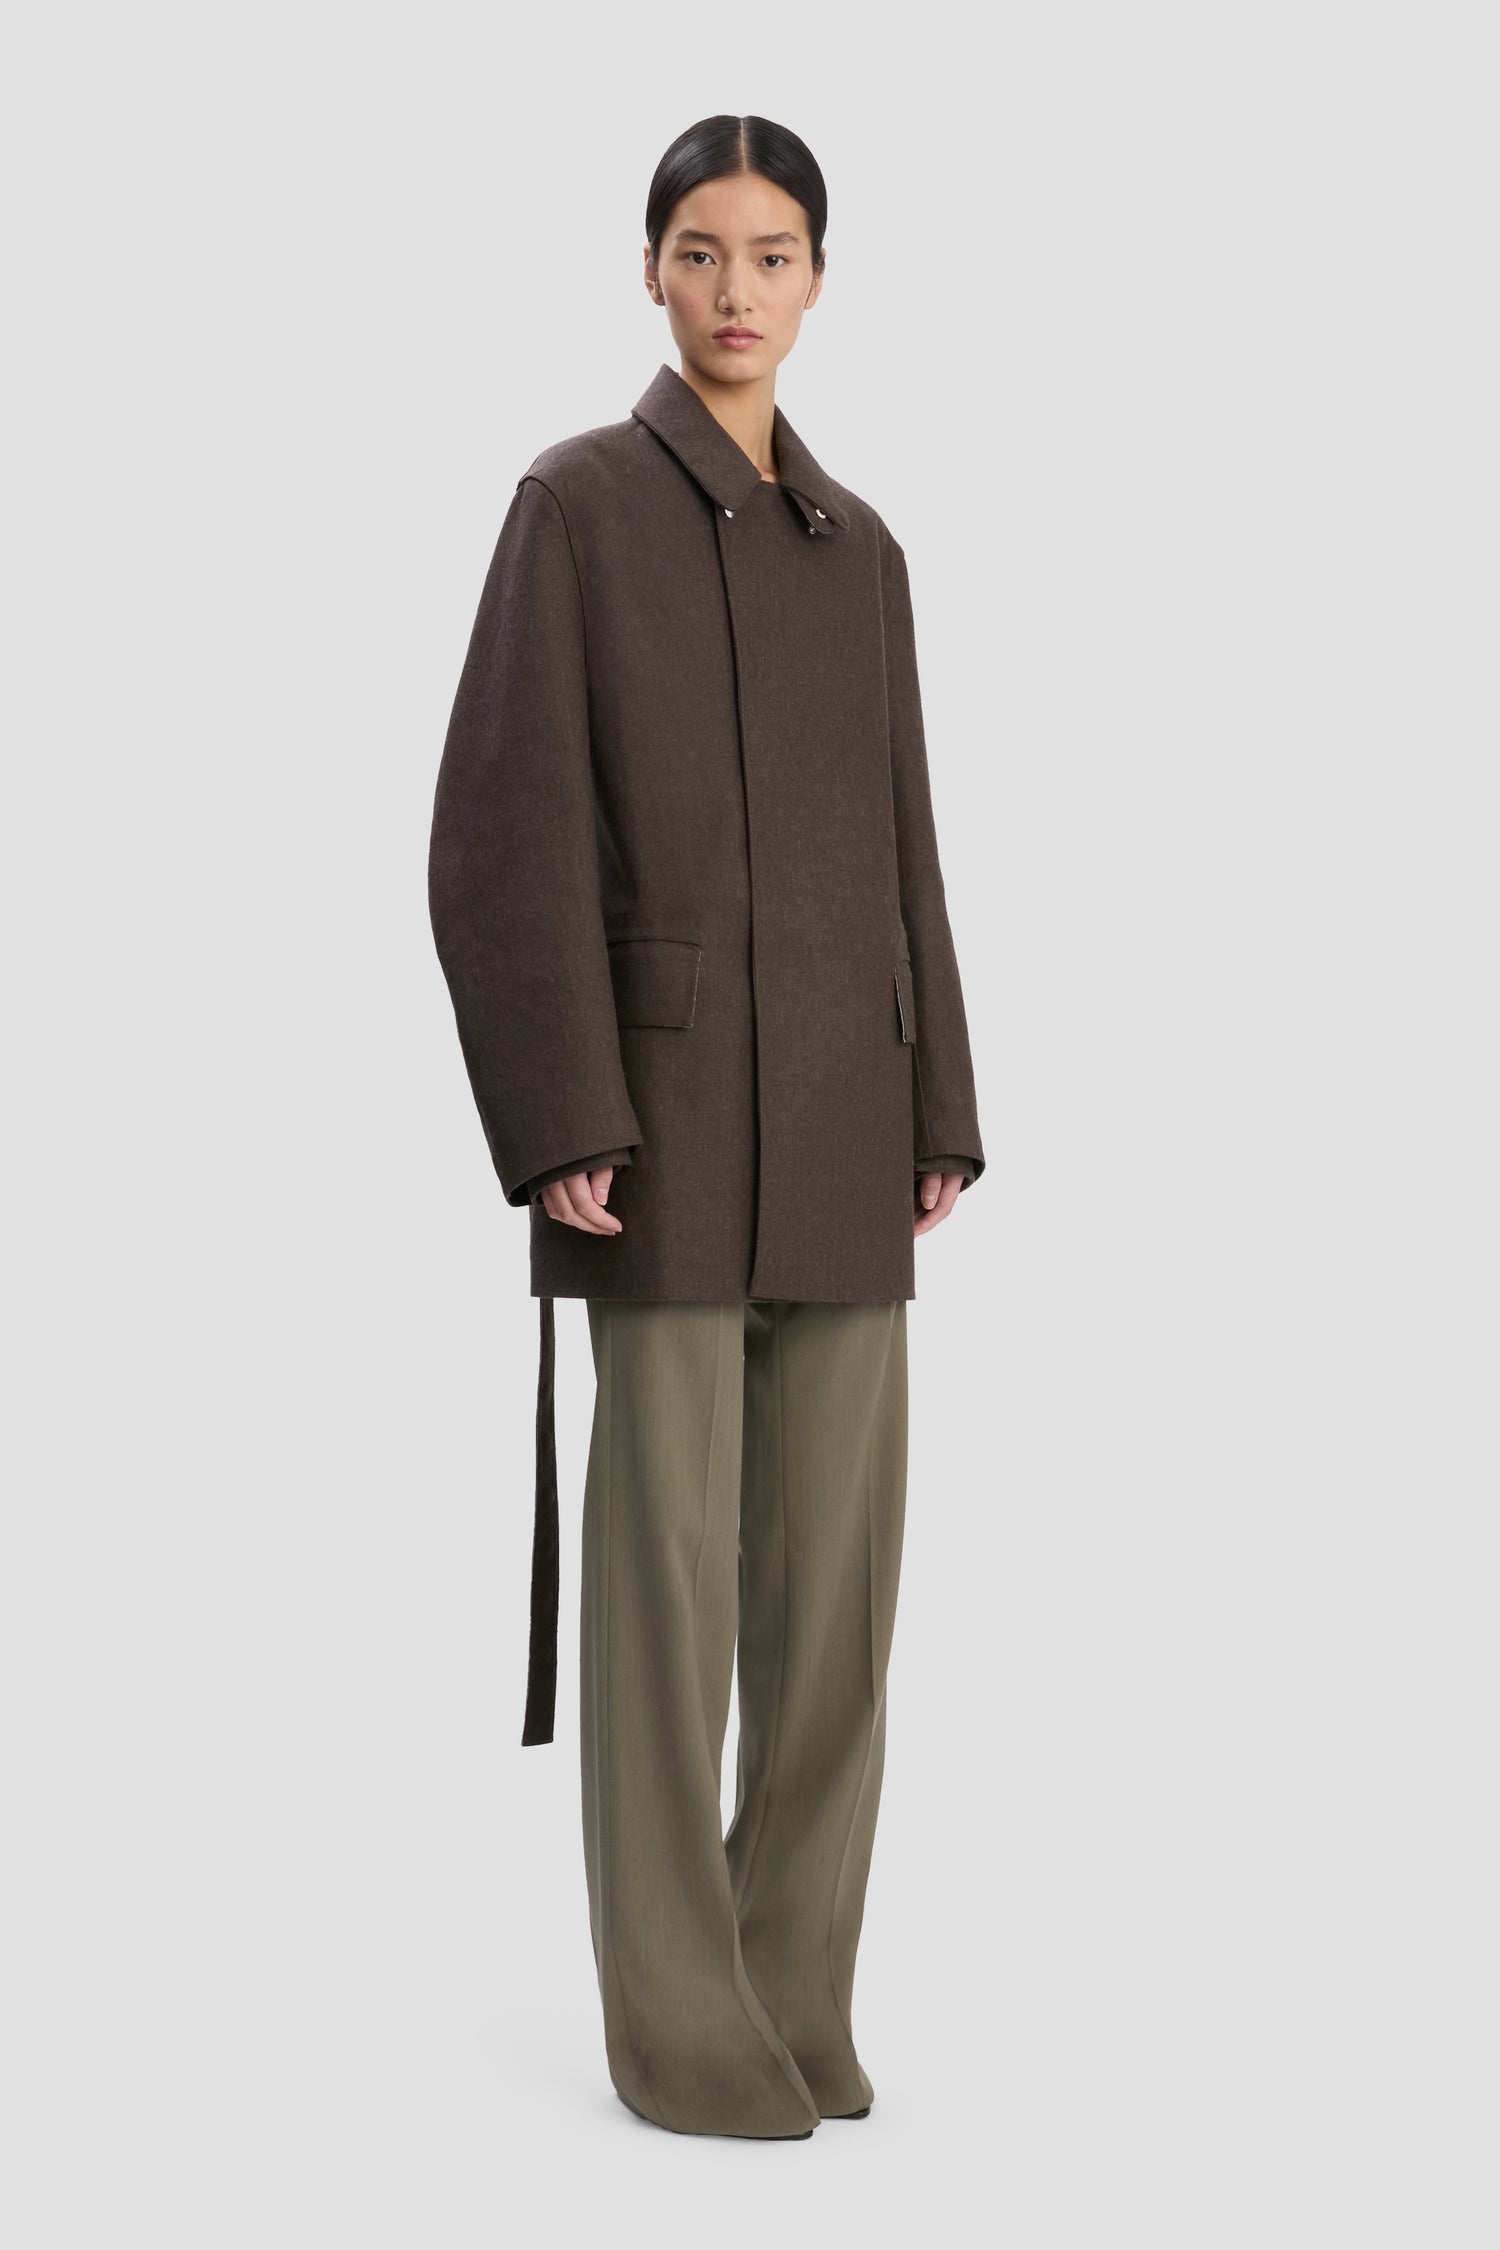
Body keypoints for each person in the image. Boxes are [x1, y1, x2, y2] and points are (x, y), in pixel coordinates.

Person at [428, 113, 984, 2140]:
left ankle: (790, 1989)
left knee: (836, 1605)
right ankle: (675, 2022)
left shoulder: (867, 553)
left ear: (819, 279)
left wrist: (941, 1100)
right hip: (653, 1138)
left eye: (772, 255)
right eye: (699, 250)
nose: (736, 289)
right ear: (650, 269)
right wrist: (559, 1109)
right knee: (668, 1603)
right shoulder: (574, 507)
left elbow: (909, 845)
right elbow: (495, 838)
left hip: (846, 1121)